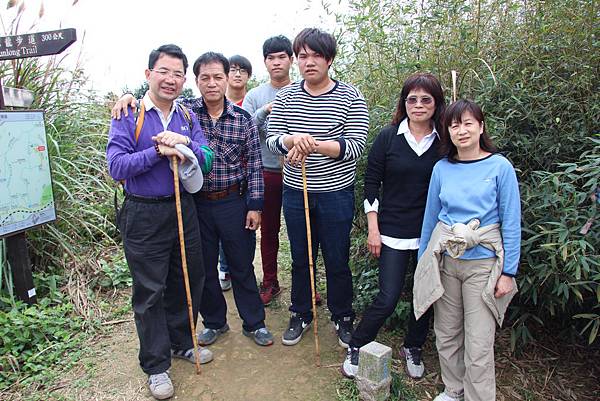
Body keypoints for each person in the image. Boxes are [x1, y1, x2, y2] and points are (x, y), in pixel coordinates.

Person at [112, 52, 273, 348]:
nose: (212, 84)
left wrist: (255, 206)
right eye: (205, 78)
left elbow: (254, 165)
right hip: (195, 203)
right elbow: (152, 101)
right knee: (203, 267)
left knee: (241, 264)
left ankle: (254, 322)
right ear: (195, 81)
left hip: (233, 202)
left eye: (218, 77)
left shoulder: (243, 119)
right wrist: (126, 97)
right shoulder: (185, 112)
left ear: (227, 79)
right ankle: (214, 322)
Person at [106, 44, 214, 400]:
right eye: (164, 71)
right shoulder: (129, 114)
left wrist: (183, 145)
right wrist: (156, 152)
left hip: (184, 206)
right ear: (148, 73)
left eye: (178, 74)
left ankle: (183, 342)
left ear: (185, 79)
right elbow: (116, 167)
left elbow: (205, 158)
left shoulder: (187, 116)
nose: (171, 79)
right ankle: (156, 365)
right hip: (143, 212)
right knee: (150, 290)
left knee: (188, 276)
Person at [266, 28, 369, 347]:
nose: (308, 62)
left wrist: (314, 145)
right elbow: (272, 139)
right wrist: (292, 141)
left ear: (329, 59)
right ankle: (301, 312)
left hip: (336, 193)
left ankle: (343, 316)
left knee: (337, 257)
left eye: (316, 56)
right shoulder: (286, 96)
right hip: (296, 191)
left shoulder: (351, 96)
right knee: (301, 256)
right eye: (303, 56)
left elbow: (355, 146)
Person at [341, 73, 445, 379]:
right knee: (387, 297)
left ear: (436, 103)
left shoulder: (444, 141)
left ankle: (413, 346)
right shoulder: (388, 137)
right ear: (404, 102)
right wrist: (373, 227)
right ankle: (358, 343)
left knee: (423, 296)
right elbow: (372, 182)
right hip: (392, 230)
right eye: (412, 99)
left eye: (426, 99)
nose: (418, 105)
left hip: (430, 232)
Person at [415, 99, 521, 401]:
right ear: (448, 131)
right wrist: (426, 262)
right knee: (447, 333)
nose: (462, 130)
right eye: (454, 124)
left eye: (468, 123)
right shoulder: (442, 168)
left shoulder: (500, 167)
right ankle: (454, 390)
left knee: (479, 342)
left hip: (484, 265)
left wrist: (508, 272)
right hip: (447, 261)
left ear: (481, 126)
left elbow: (511, 222)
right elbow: (430, 219)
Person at [241, 35, 293, 305]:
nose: (276, 62)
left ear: (291, 60)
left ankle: (306, 286)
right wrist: (266, 110)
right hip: (266, 172)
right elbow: (245, 129)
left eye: (281, 57)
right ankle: (270, 280)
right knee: (268, 229)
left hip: (300, 171)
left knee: (302, 231)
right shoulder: (255, 95)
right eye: (271, 58)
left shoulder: (302, 90)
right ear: (265, 62)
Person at [216, 54, 254, 291]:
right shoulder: (213, 102)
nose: (237, 74)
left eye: (243, 70)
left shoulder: (252, 103)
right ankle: (225, 267)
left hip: (250, 173)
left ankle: (242, 269)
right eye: (233, 70)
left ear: (249, 75)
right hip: (222, 177)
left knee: (244, 223)